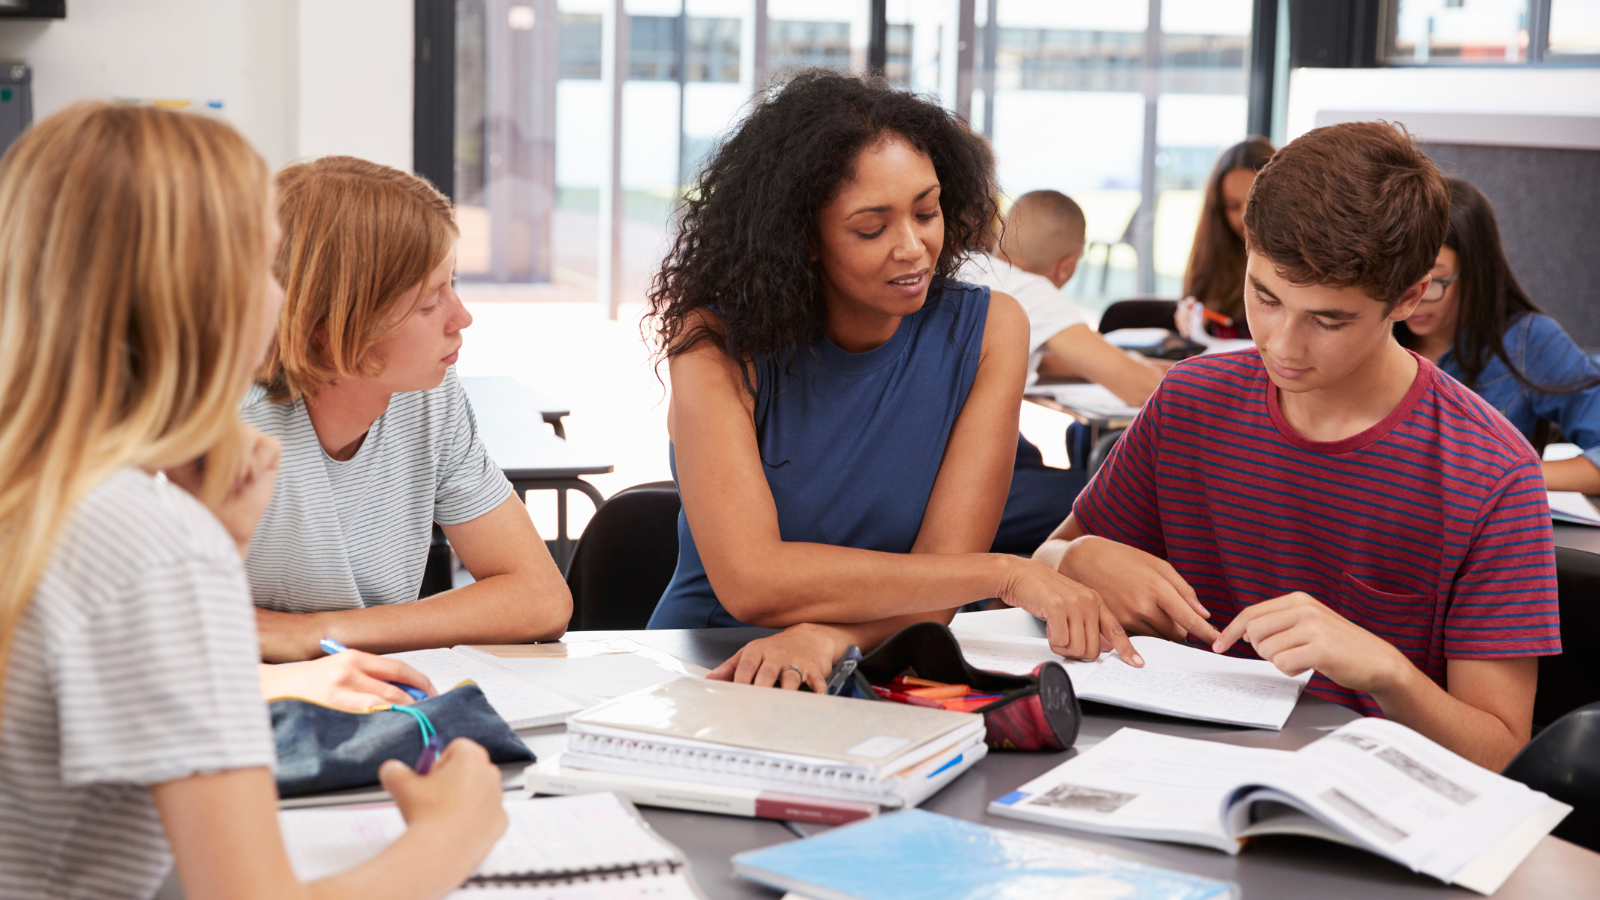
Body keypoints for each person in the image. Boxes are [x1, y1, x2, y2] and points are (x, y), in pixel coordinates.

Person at [0, 102, 507, 900]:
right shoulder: (150, 537)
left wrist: (216, 553)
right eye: (272, 270)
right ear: (203, 295)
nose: (288, 299)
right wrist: (458, 831)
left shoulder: (42, 487)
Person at [1034, 122, 1559, 771]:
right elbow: (1044, 559)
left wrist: (1387, 672)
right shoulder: (1191, 400)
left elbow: (1501, 751)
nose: (1282, 344)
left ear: (1410, 296)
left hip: (1356, 801)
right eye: (1266, 297)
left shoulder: (1491, 470)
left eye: (1328, 320)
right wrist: (1079, 557)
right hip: (1164, 763)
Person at [644, 70, 1138, 687]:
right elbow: (753, 582)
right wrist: (1002, 573)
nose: (913, 247)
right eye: (871, 228)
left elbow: (938, 585)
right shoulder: (714, 342)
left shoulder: (989, 330)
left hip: (882, 659)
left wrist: (831, 639)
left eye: (926, 212)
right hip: (713, 662)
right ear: (801, 239)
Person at [244, 157, 571, 663]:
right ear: (329, 328)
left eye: (452, 284)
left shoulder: (428, 399)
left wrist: (319, 632)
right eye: (428, 303)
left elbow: (541, 598)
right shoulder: (226, 423)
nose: (462, 316)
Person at [959, 190, 1163, 553]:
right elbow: (1140, 389)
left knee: (1031, 453)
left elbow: (1043, 360)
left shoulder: (973, 266)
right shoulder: (1028, 290)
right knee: (1106, 500)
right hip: (948, 485)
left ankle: (998, 592)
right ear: (1067, 266)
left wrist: (1132, 364)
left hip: (915, 467)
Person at [1398, 177, 1600, 494]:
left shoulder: (1527, 340)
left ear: (1477, 273)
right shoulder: (1371, 333)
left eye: (1434, 280)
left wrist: (1506, 473)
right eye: (1400, 277)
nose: (1410, 298)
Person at [1178, 136, 1275, 341]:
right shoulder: (1214, 257)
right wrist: (1191, 318)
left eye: (1253, 202)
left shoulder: (1301, 264)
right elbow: (1193, 305)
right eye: (1232, 206)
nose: (1243, 217)